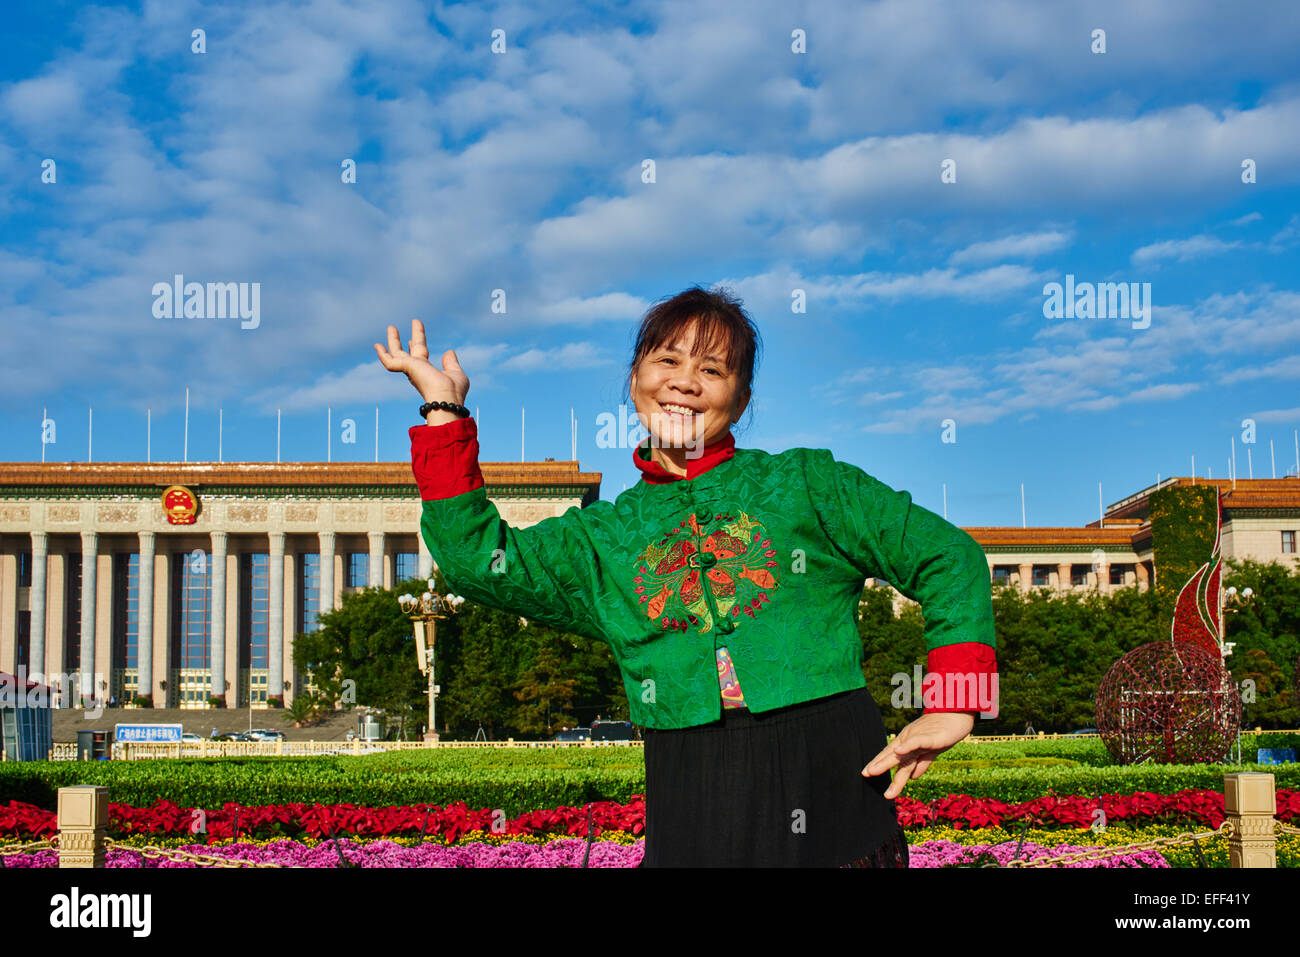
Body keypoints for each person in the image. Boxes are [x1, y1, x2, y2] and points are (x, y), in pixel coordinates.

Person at [376, 285, 998, 867]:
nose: (684, 384)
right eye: (667, 361)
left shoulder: (808, 484)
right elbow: (476, 560)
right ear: (636, 379)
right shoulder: (601, 538)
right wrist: (443, 410)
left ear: (742, 398)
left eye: (713, 369)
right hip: (690, 777)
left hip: (830, 760)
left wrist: (956, 704)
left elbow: (947, 556)